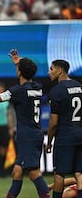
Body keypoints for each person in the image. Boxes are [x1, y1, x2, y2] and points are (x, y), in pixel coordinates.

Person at [0, 49, 50, 198]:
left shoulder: (17, 91)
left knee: (34, 173)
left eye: (18, 68)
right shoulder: (38, 87)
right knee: (17, 172)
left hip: (27, 136)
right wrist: (19, 63)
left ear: (19, 73)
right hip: (35, 133)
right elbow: (28, 70)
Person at [45, 60, 82, 198]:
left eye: (51, 69)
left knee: (59, 173)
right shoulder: (79, 86)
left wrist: (49, 141)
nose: (49, 72)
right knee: (79, 172)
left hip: (65, 136)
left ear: (60, 71)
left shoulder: (57, 91)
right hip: (80, 134)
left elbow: (53, 122)